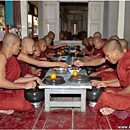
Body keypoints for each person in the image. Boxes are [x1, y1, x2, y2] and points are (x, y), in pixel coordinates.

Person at [0, 33, 41, 115]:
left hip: (7, 90)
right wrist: (24, 86)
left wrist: (34, 78)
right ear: (12, 46)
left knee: (29, 93)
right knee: (23, 104)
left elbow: (15, 79)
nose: (19, 48)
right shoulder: (1, 57)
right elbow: (1, 82)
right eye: (19, 45)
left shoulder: (11, 57)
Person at [91, 39, 130, 119]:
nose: (106, 58)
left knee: (106, 96)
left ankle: (116, 108)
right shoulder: (121, 61)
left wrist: (117, 94)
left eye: (107, 55)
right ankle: (118, 107)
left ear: (116, 52)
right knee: (106, 89)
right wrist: (106, 84)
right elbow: (122, 81)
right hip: (126, 91)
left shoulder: (127, 60)